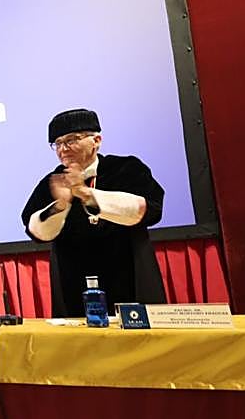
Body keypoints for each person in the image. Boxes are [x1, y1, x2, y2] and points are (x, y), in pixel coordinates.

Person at [21, 108, 165, 317]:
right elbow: (36, 231)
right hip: (72, 277)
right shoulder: (52, 182)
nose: (63, 149)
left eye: (71, 140)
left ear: (96, 140)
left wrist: (87, 195)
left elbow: (148, 209)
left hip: (127, 268)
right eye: (58, 144)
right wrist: (60, 206)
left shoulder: (126, 168)